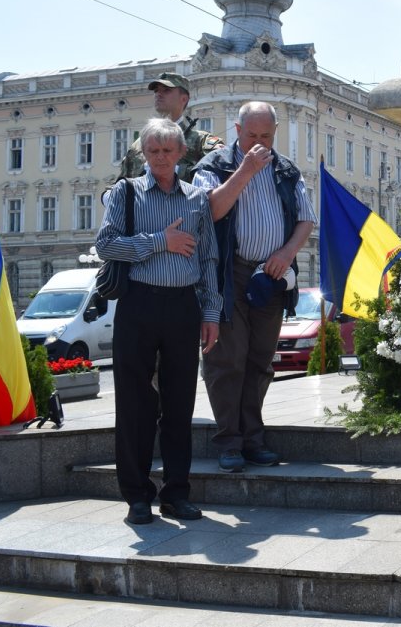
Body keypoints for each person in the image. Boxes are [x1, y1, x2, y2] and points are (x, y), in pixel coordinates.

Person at [96, 118, 221, 525]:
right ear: (143, 154)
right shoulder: (126, 193)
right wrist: (159, 242)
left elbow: (208, 260)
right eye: (153, 151)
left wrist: (211, 313)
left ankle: (176, 493)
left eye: (168, 151)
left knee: (180, 402)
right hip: (137, 305)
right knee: (134, 403)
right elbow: (106, 244)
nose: (161, 158)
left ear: (181, 154)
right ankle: (136, 496)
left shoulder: (197, 199)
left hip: (183, 307)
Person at [192, 102, 317, 473]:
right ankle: (229, 441)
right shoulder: (214, 166)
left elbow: (306, 219)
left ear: (275, 132)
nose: (259, 144)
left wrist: (287, 251)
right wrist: (244, 172)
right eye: (251, 136)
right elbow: (209, 212)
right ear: (237, 129)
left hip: (272, 277)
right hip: (228, 275)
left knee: (260, 360)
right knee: (225, 359)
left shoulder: (286, 170)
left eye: (266, 136)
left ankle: (253, 437)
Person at [118, 72, 224, 183]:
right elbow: (121, 183)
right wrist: (107, 195)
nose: (159, 94)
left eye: (166, 90)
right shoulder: (138, 145)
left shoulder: (201, 141)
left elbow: (219, 173)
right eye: (156, 91)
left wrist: (177, 171)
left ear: (184, 99)